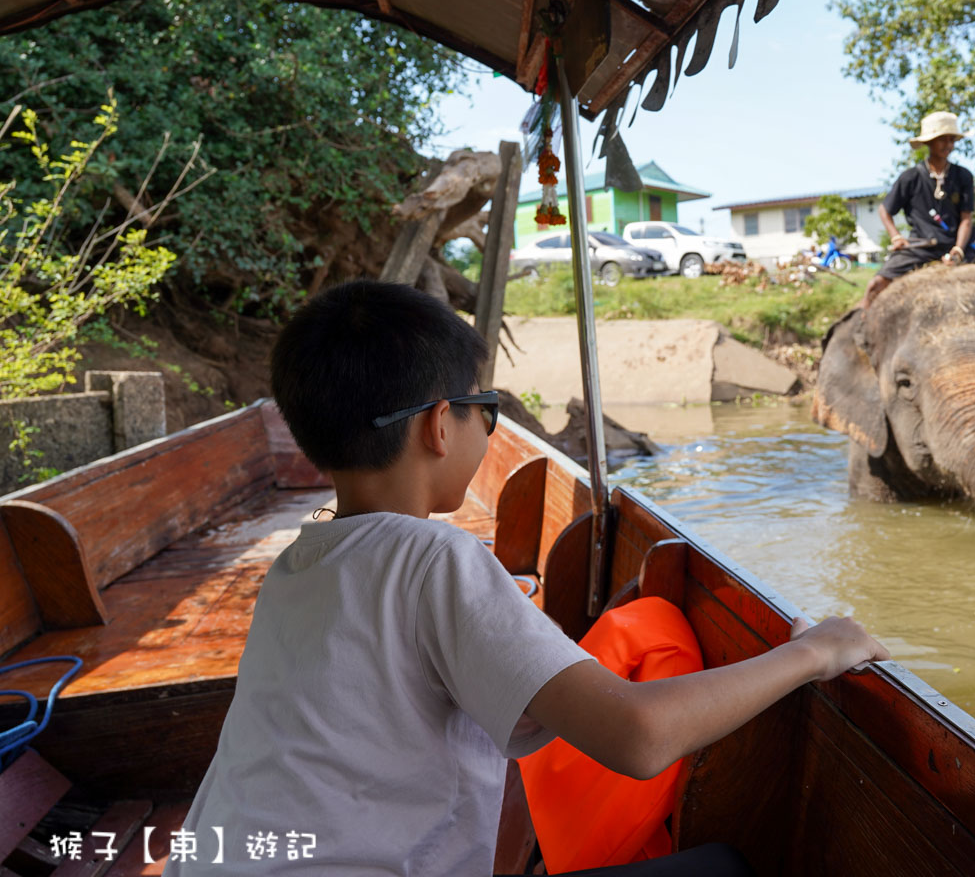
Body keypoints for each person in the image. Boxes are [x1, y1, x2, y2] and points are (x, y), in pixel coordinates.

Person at [166, 280, 888, 877]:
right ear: (440, 428)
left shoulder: (297, 563)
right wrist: (813, 652)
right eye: (486, 409)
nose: (489, 428)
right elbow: (639, 737)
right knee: (722, 868)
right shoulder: (433, 560)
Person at [861, 111, 975, 309]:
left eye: (951, 139)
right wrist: (896, 237)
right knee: (876, 286)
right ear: (929, 142)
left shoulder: (963, 175)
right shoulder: (910, 177)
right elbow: (884, 210)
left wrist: (958, 250)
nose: (948, 145)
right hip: (918, 249)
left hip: (955, 247)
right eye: (942, 139)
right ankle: (862, 330)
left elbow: (966, 218)